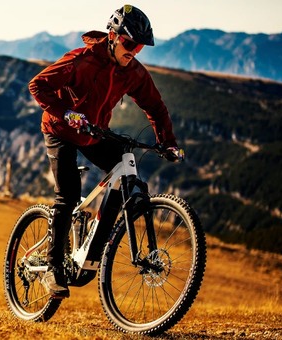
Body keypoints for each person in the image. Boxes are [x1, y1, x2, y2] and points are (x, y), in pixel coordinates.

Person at [28, 4, 185, 295]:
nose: (134, 51)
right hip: (60, 130)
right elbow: (38, 86)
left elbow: (155, 106)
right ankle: (53, 267)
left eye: (139, 47)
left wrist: (169, 142)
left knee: (124, 172)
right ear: (113, 36)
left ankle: (95, 252)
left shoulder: (134, 72)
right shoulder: (82, 60)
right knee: (68, 195)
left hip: (93, 134)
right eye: (129, 44)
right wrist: (67, 113)